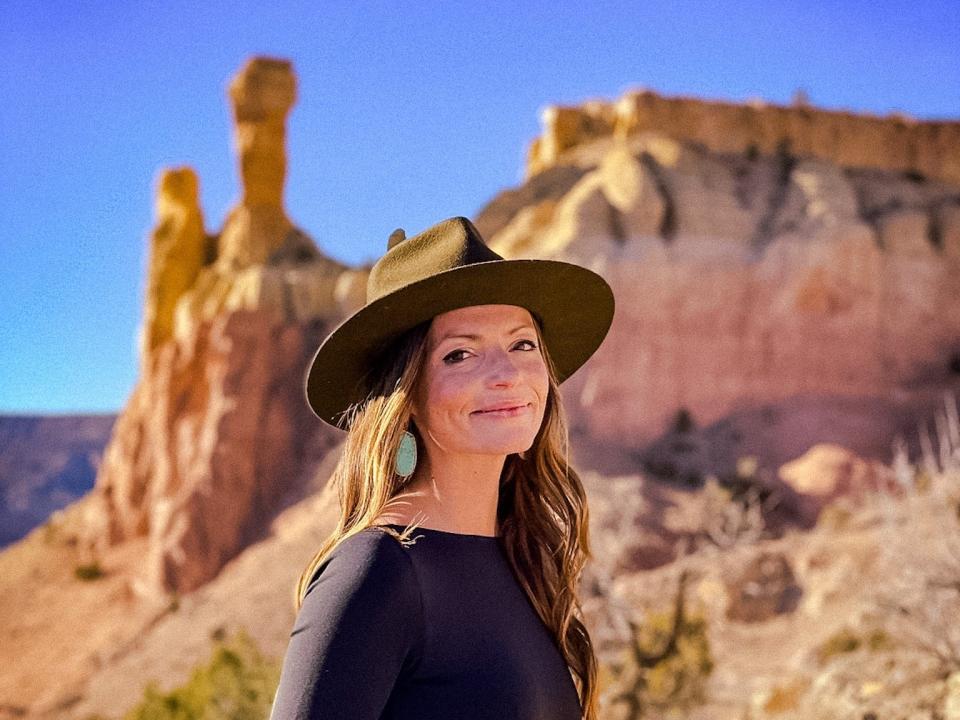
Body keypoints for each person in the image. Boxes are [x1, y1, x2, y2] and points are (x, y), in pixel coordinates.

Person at [269, 216, 615, 720]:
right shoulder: (378, 571)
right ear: (404, 398)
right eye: (460, 354)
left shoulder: (524, 561)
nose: (507, 375)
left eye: (522, 344)